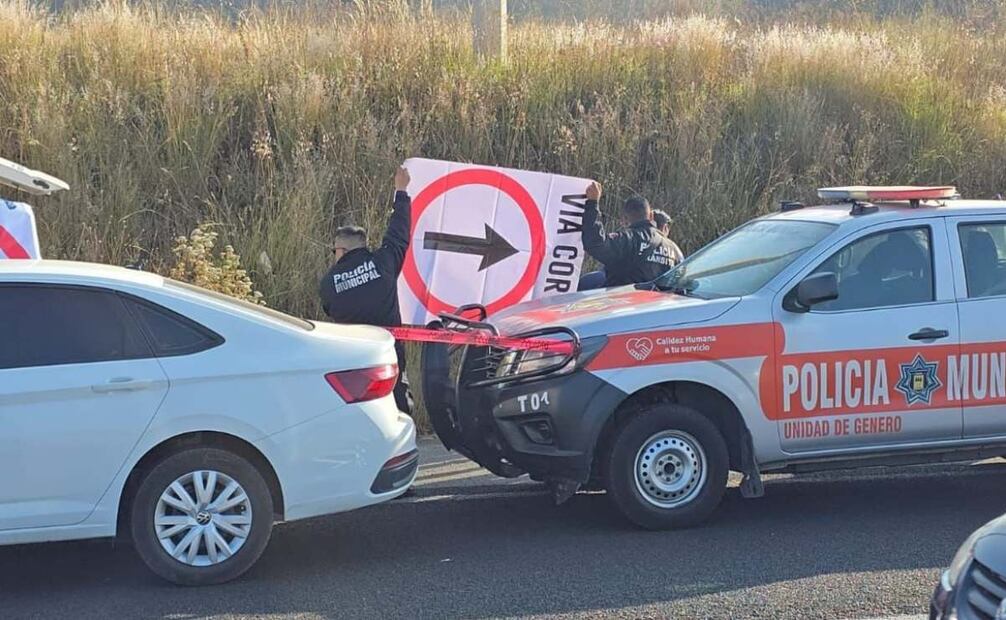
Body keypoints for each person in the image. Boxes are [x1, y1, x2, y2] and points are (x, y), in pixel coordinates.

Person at [320, 165, 414, 416]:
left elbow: (329, 309)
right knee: (399, 411)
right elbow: (399, 233)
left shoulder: (329, 283)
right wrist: (401, 191)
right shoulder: (383, 263)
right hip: (390, 358)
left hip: (353, 367)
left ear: (340, 250)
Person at [578, 182, 680, 289]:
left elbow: (595, 243)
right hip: (659, 305)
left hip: (624, 303)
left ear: (624, 219)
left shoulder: (626, 240)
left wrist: (592, 204)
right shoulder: (674, 250)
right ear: (651, 216)